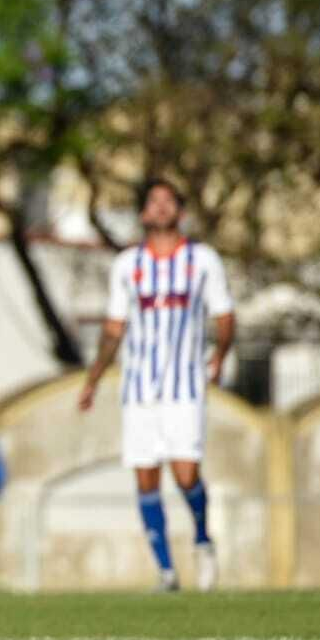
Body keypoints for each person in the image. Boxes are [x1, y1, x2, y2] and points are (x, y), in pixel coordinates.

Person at [78, 178, 235, 592]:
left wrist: (220, 354)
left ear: (180, 212)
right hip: (139, 389)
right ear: (144, 213)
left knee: (186, 475)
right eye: (154, 201)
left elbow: (224, 314)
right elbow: (114, 329)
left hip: (184, 386)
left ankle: (202, 540)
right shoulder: (128, 265)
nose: (161, 208)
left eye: (169, 202)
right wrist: (93, 379)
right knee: (146, 477)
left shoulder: (202, 260)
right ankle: (166, 571)